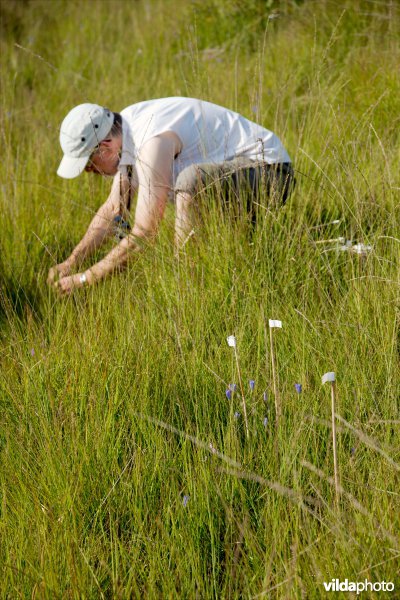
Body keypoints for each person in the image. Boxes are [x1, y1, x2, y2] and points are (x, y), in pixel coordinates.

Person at [48, 97, 295, 294]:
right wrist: (72, 262)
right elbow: (113, 211)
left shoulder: (151, 142)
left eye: (89, 164)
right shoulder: (127, 130)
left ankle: (187, 291)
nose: (90, 172)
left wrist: (85, 279)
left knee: (190, 181)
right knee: (192, 183)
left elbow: (145, 234)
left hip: (273, 174)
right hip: (238, 180)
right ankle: (215, 281)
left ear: (105, 148)